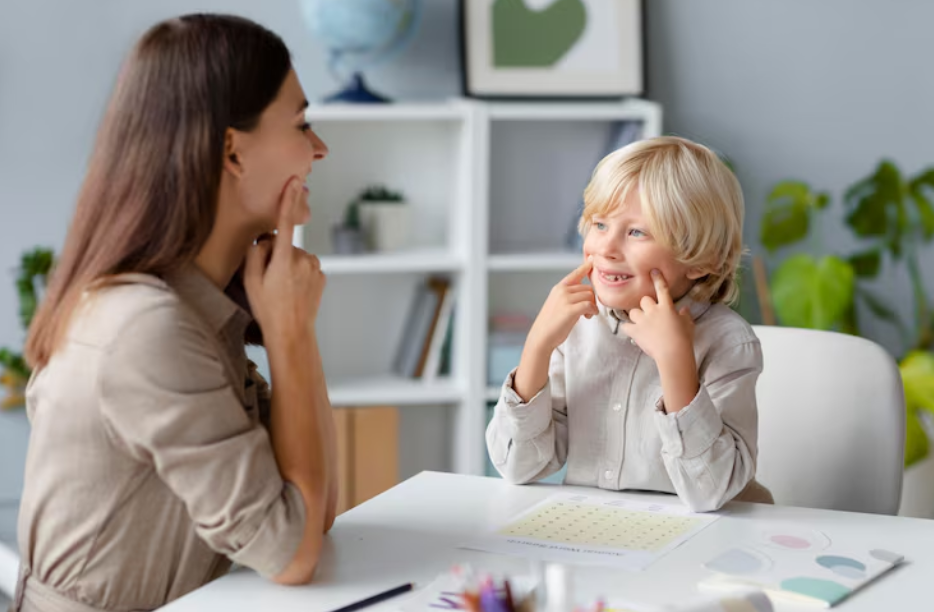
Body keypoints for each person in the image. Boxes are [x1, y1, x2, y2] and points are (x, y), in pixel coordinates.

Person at [13, 14, 337, 612]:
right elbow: (293, 551)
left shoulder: (199, 307)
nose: (319, 149)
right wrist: (289, 334)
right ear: (232, 151)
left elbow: (313, 512)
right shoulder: (147, 328)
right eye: (301, 124)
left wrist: (295, 327)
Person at [486, 136, 773, 513]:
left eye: (637, 232)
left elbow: (711, 492)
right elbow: (518, 466)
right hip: (603, 530)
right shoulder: (577, 328)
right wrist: (538, 346)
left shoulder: (729, 343)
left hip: (705, 538)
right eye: (600, 224)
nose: (606, 248)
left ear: (703, 259)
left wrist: (675, 361)